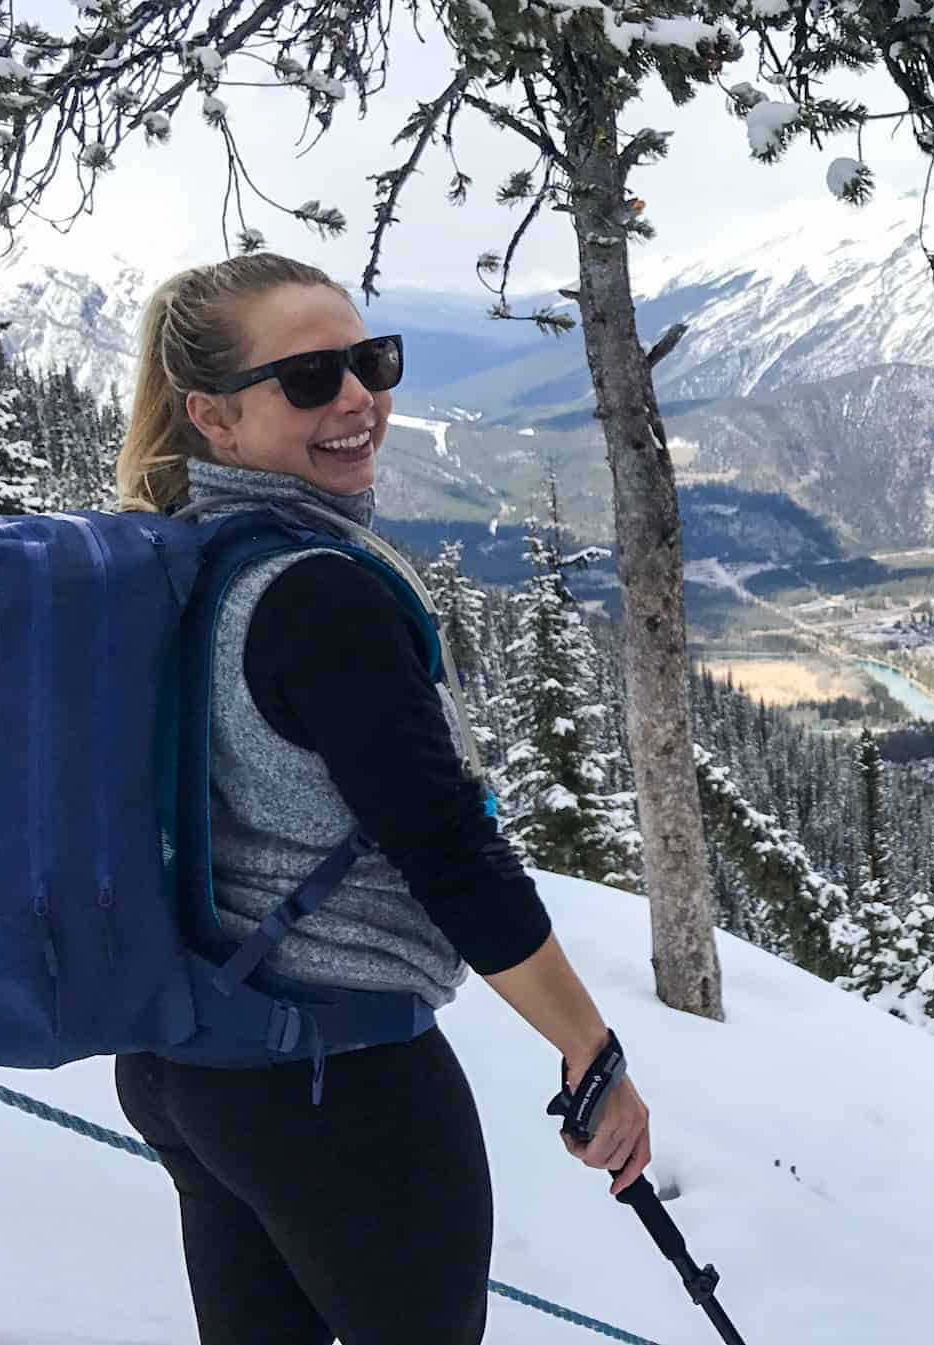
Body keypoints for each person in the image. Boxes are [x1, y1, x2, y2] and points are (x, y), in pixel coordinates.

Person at [109, 252, 651, 1345]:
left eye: (371, 360)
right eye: (309, 379)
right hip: (338, 1079)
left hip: (193, 1064)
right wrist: (593, 1054)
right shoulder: (319, 596)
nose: (358, 397)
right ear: (213, 416)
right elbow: (446, 848)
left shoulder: (182, 556)